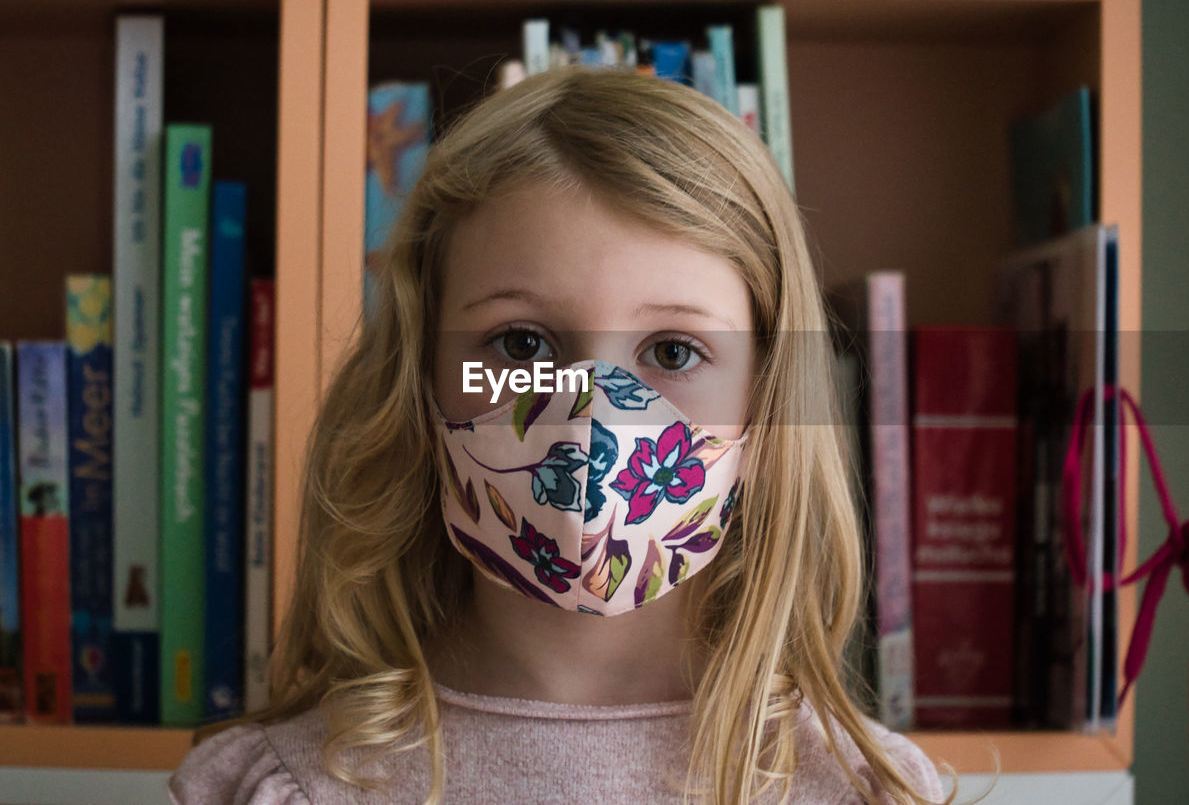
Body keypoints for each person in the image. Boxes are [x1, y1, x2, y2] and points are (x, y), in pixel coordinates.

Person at [169, 66, 949, 805]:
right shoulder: (276, 788)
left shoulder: (861, 789)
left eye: (672, 352)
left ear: (766, 403)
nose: (591, 418)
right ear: (419, 383)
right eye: (523, 343)